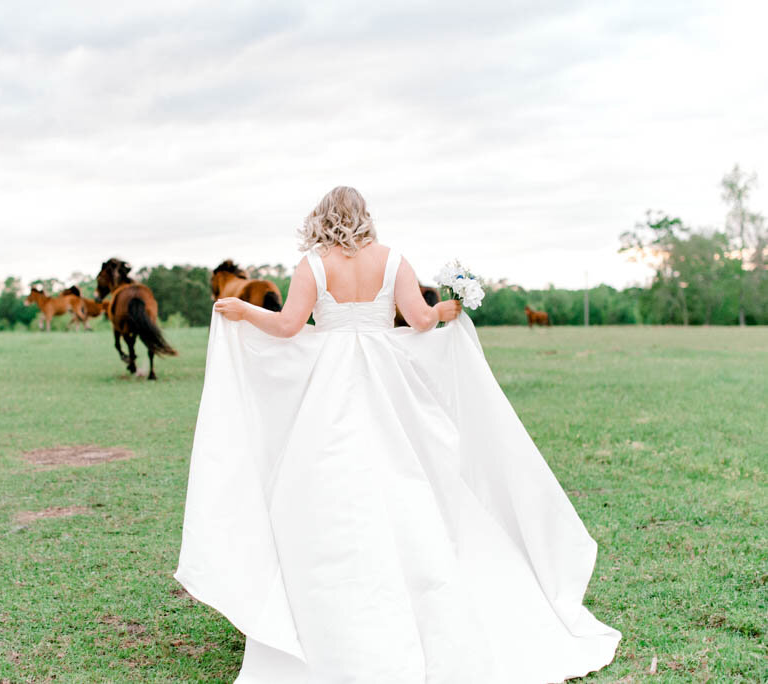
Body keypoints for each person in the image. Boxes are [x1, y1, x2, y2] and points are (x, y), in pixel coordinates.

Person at [175, 187, 621, 683]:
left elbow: (286, 327)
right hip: (389, 382)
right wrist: (448, 310)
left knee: (329, 491)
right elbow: (421, 320)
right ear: (365, 216)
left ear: (320, 218)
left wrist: (243, 311)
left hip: (331, 387)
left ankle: (333, 617)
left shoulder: (313, 265)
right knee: (410, 482)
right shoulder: (394, 260)